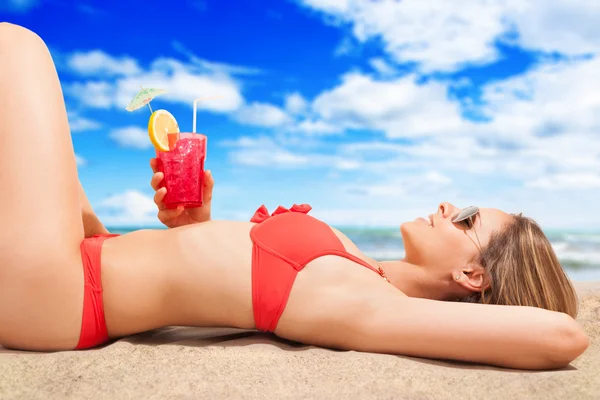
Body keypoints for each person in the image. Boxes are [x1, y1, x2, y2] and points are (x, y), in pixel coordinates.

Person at [0, 22, 589, 370]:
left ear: (473, 276)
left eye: (466, 218)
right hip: (87, 260)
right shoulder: (359, 267)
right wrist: (194, 223)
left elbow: (563, 335)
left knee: (18, 48)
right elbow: (215, 289)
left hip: (68, 294)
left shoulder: (371, 309)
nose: (445, 206)